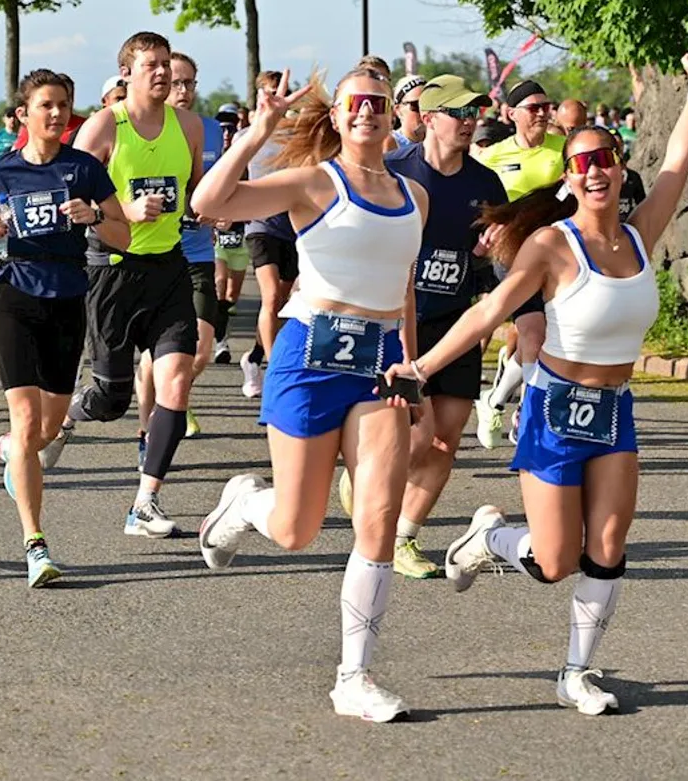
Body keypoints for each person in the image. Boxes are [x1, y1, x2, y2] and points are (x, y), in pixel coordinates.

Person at [418, 57, 688, 715]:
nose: (597, 170)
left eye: (605, 157)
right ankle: (489, 539)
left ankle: (576, 672)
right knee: (553, 560)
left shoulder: (641, 234)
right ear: (571, 179)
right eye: (582, 164)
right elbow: (487, 313)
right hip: (554, 409)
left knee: (606, 546)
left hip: (613, 412)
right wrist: (423, 364)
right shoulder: (551, 244)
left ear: (617, 164)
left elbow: (676, 162)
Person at [193, 68, 427, 723]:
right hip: (310, 351)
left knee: (377, 517)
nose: (368, 113)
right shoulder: (314, 182)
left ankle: (354, 675)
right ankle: (243, 502)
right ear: (339, 115)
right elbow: (211, 203)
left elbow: (404, 287)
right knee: (297, 528)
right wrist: (256, 134)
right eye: (355, 103)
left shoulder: (414, 195)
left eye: (378, 103)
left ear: (392, 114)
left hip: (379, 360)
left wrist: (411, 362)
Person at [0, 69, 129, 587]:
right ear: (23, 114)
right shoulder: (2, 172)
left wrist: (91, 218)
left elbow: (123, 234)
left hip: (68, 298)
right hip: (15, 296)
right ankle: (36, 544)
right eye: (45, 106)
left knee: (45, 430)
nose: (56, 114)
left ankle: (15, 453)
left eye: (63, 105)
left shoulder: (84, 169)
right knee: (23, 415)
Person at [67, 32, 206, 536]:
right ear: (126, 72)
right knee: (111, 400)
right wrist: (124, 210)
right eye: (152, 65)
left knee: (176, 379)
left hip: (167, 268)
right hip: (111, 269)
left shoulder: (188, 125)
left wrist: (209, 209)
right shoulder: (103, 128)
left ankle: (145, 503)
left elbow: (194, 192)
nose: (163, 73)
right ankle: (69, 415)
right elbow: (75, 205)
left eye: (167, 64)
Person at [382, 75, 507, 578]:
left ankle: (402, 539)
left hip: (455, 322)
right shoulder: (393, 172)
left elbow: (495, 263)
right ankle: (370, 482)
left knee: (446, 439)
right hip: (395, 320)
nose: (469, 121)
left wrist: (485, 258)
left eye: (474, 112)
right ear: (429, 118)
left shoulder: (485, 184)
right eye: (458, 113)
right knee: (413, 436)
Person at [474, 79, 567, 447]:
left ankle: (495, 399)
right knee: (532, 333)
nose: (543, 113)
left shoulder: (565, 148)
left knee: (548, 337)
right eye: (534, 108)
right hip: (512, 254)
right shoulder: (490, 156)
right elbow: (476, 206)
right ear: (511, 114)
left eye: (547, 106)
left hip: (561, 255)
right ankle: (531, 416)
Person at [158, 51, 225, 436]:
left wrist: (224, 209)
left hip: (198, 250)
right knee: (161, 354)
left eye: (189, 83)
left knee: (199, 349)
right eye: (176, 83)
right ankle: (157, 421)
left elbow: (217, 186)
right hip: (154, 252)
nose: (182, 91)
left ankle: (176, 398)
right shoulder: (143, 129)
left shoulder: (211, 129)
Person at [239, 72, 300, 400]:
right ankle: (277, 372)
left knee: (285, 304)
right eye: (268, 93)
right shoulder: (247, 136)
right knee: (272, 297)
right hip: (259, 227)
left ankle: (254, 357)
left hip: (292, 228)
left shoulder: (297, 135)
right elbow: (231, 176)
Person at [208, 102, 248, 368]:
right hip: (216, 235)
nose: (225, 132)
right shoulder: (209, 156)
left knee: (231, 295)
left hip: (240, 234)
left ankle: (222, 327)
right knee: (219, 283)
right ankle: (220, 343)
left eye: (231, 127)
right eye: (222, 127)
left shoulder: (244, 159)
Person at [390, 75, 428, 150]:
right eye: (417, 105)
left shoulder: (440, 144)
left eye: (428, 104)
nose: (424, 112)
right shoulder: (389, 144)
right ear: (398, 111)